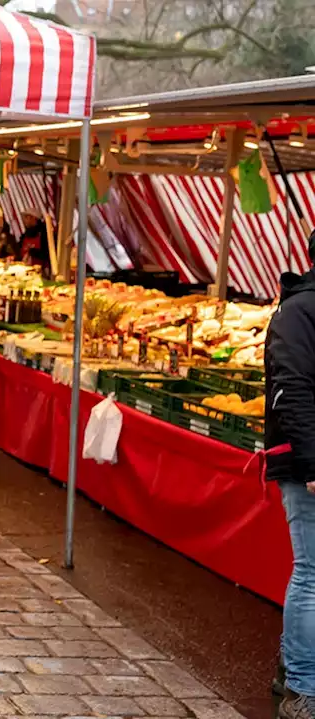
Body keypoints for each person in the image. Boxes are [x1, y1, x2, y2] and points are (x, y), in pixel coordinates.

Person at [267, 230, 315, 719]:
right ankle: (302, 689)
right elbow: (293, 387)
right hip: (307, 462)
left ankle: (293, 668)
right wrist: (311, 461)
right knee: (313, 572)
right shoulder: (299, 312)